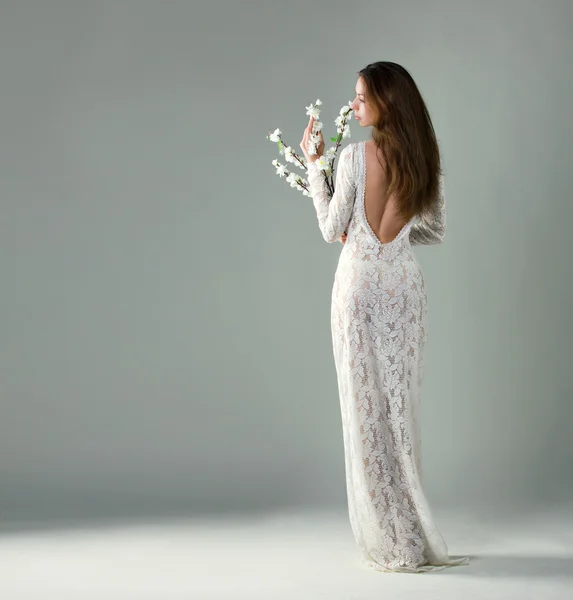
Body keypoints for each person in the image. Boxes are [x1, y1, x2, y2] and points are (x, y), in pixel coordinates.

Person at [299, 61, 470, 573]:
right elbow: (434, 231)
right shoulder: (425, 161)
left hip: (357, 287)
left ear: (386, 102)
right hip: (402, 287)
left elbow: (332, 228)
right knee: (399, 408)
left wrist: (314, 165)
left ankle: (388, 536)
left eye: (360, 97)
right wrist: (393, 246)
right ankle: (411, 530)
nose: (353, 106)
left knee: (365, 408)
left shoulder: (353, 158)